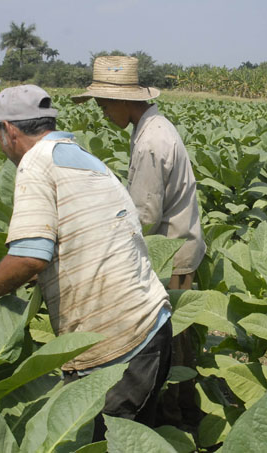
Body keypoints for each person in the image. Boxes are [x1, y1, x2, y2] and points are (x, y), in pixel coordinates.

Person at [0, 84, 173, 439]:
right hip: (149, 327)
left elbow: (29, 258)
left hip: (119, 344)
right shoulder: (79, 156)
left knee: (102, 443)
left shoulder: (36, 164)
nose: (1, 147)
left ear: (10, 131)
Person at [72, 56, 206, 427]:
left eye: (103, 105)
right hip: (177, 249)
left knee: (171, 348)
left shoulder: (150, 141)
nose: (101, 113)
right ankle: (180, 415)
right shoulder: (153, 126)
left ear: (124, 100)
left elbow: (144, 217)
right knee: (177, 346)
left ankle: (177, 424)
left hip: (170, 257)